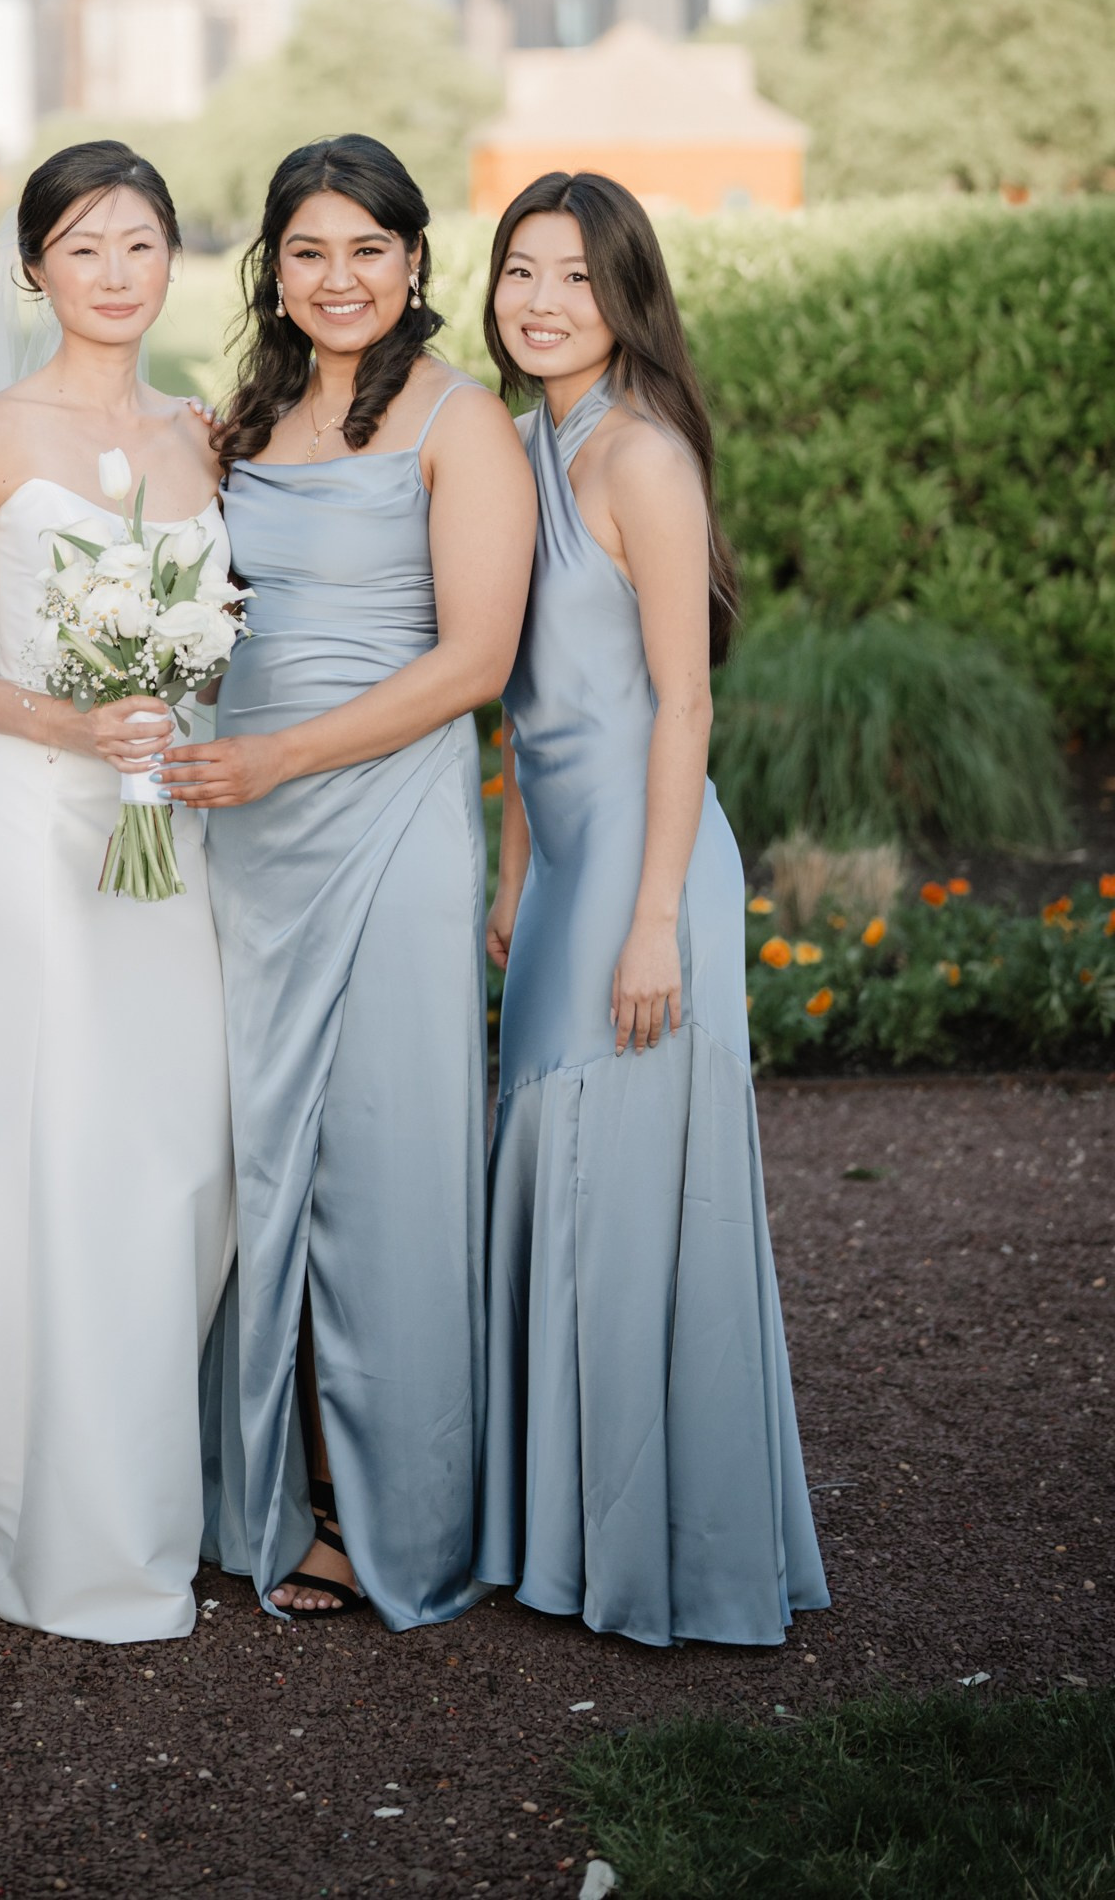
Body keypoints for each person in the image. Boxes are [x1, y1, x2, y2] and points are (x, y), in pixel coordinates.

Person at [162, 136, 535, 1626]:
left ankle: (381, 1504)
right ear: (274, 271)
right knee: (259, 1155)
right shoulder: (241, 424)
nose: (339, 279)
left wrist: (283, 757)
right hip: (245, 830)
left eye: (368, 249)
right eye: (309, 252)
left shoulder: (463, 419)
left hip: (382, 813)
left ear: (415, 263)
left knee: (380, 1161)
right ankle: (262, 1485)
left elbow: (476, 663)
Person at [0, 141, 234, 1642]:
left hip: (165, 822)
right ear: (33, 269)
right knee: (53, 1134)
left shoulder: (204, 438)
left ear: (171, 260)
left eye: (139, 243)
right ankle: (34, 1499)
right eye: (81, 246)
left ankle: (126, 1451)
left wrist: (167, 723)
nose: (113, 272)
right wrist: (68, 723)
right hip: (28, 819)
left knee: (172, 1141)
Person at [477, 171, 827, 1647]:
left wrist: (652, 919)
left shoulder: (642, 459)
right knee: (555, 1181)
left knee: (623, 1199)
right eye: (521, 270)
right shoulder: (512, 447)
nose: (543, 301)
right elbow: (521, 699)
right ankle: (557, 1538)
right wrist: (513, 870)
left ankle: (645, 1558)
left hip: (649, 867)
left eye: (576, 276)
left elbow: (683, 701)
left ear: (627, 297)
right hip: (560, 866)